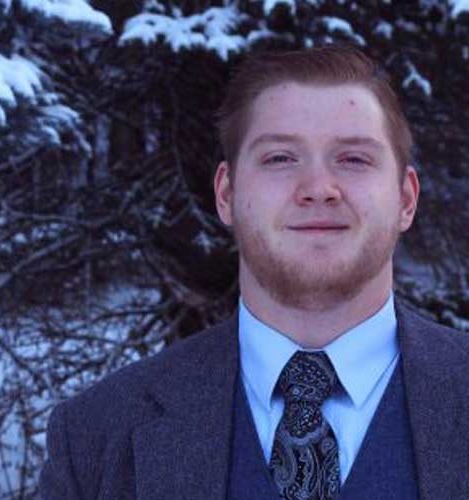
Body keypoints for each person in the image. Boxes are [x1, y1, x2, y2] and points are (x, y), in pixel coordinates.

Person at [37, 45, 469, 500]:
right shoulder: (95, 438)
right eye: (280, 157)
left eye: (354, 158)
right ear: (226, 194)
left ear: (406, 199)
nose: (318, 189)